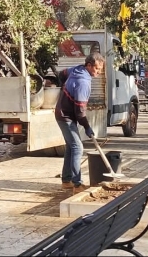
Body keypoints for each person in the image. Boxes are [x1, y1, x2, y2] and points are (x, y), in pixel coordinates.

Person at [55, 52, 105, 194]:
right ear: (89, 65)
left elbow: (61, 74)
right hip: (66, 117)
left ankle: (66, 181)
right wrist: (88, 127)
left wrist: (63, 92)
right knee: (78, 147)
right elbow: (80, 112)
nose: (98, 72)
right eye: (96, 69)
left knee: (71, 147)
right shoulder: (83, 83)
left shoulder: (77, 69)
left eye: (100, 70)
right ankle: (77, 185)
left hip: (64, 112)